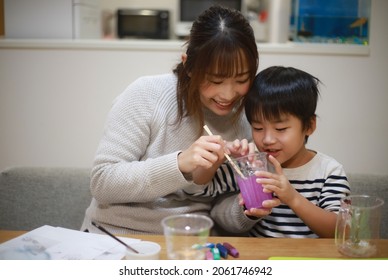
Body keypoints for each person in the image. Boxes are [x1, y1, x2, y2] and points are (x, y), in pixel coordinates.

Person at [81, 5, 261, 235]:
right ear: (188, 65)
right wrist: (180, 164)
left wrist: (248, 207)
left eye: (241, 80)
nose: (228, 95)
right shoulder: (146, 94)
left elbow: (220, 213)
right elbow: (102, 183)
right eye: (215, 81)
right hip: (115, 235)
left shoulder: (246, 119)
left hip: (191, 243)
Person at [211, 66, 351, 238]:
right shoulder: (252, 164)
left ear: (309, 126)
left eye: (280, 128)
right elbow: (202, 191)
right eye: (258, 127)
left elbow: (341, 231)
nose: (268, 139)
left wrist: (292, 198)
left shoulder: (329, 171)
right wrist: (219, 157)